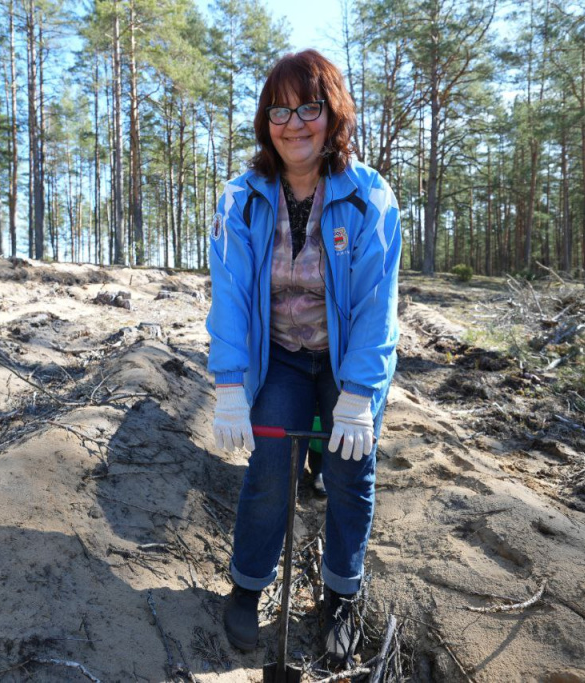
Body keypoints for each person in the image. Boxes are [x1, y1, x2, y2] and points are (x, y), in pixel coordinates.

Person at [206, 49, 401, 666]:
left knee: (350, 468)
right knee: (269, 459)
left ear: (332, 115)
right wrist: (231, 384)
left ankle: (341, 594)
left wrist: (357, 396)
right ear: (267, 122)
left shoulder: (369, 197)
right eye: (280, 110)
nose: (294, 123)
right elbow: (232, 293)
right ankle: (247, 585)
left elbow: (377, 304)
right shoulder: (242, 199)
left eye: (308, 107)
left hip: (347, 362)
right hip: (283, 357)